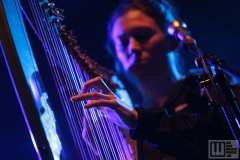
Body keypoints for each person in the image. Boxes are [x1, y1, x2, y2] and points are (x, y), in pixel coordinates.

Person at [71, 0, 240, 159]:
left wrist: (142, 127)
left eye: (143, 35)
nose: (133, 47)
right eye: (123, 42)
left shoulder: (212, 86)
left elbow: (233, 150)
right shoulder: (125, 118)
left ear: (172, 41)